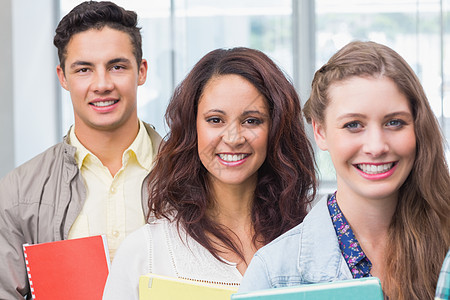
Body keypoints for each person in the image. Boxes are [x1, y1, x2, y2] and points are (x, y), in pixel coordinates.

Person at [238, 41, 450, 300]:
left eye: (395, 122)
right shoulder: (273, 274)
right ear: (320, 131)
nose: (376, 146)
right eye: (353, 125)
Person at [102, 47, 317, 299]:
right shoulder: (145, 251)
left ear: (275, 129)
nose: (234, 138)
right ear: (192, 128)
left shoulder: (312, 240)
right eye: (215, 120)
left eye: (252, 120)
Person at [0, 1, 162, 299]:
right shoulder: (20, 191)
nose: (102, 84)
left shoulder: (190, 175)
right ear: (63, 77)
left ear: (141, 71)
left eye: (116, 66)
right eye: (84, 69)